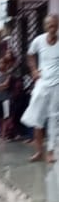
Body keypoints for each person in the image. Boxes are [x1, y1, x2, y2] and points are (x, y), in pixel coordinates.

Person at [21, 14, 59, 163]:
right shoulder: (39, 41)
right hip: (42, 83)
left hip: (56, 85)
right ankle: (38, 152)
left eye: (55, 26)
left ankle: (50, 152)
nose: (52, 29)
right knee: (37, 119)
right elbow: (30, 55)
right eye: (50, 26)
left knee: (54, 118)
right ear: (45, 27)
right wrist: (34, 70)